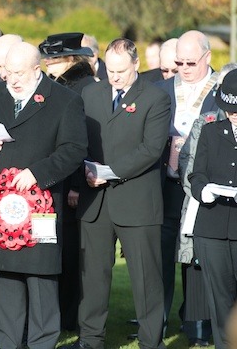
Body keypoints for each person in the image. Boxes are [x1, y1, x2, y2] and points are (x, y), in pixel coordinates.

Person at [0, 42, 88, 349]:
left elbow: (74, 149)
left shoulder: (65, 100)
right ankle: (6, 342)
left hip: (41, 205)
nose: (13, 80)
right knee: (3, 276)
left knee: (41, 278)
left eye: (19, 73)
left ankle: (41, 343)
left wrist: (37, 173)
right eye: (8, 73)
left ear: (37, 70)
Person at [62, 38, 171, 349]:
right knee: (93, 277)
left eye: (121, 71)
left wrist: (106, 172)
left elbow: (151, 149)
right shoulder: (91, 92)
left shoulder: (156, 98)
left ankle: (152, 341)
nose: (115, 77)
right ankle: (90, 339)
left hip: (137, 201)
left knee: (146, 278)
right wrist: (84, 169)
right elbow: (78, 137)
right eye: (110, 70)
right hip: (94, 202)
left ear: (136, 65)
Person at [156, 30, 217, 341]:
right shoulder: (160, 89)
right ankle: (157, 326)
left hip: (204, 190)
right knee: (163, 256)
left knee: (197, 259)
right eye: (178, 62)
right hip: (165, 187)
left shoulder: (222, 90)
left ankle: (197, 327)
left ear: (207, 57)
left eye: (190, 62)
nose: (183, 68)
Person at [39, 32, 96, 332]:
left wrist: (76, 185)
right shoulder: (55, 86)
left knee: (72, 254)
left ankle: (69, 317)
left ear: (72, 59)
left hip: (74, 185)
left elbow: (83, 142)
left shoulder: (85, 88)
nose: (49, 63)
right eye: (47, 57)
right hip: (52, 180)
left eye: (55, 58)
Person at [177, 64, 237, 348]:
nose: (233, 116)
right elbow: (195, 173)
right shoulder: (212, 131)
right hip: (212, 228)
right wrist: (204, 190)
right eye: (230, 110)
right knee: (220, 300)